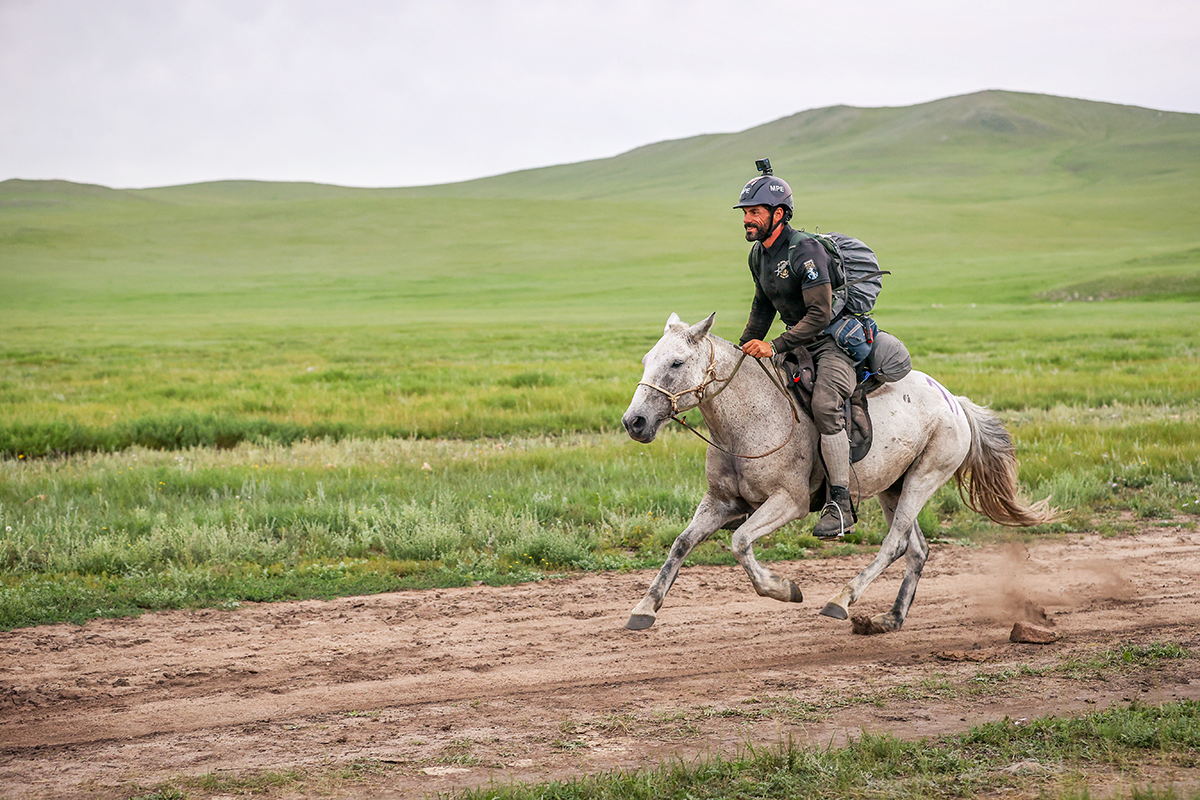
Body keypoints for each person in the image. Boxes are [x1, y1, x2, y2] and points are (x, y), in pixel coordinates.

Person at [735, 160, 857, 539]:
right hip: (796, 342)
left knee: (822, 404)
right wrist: (740, 353)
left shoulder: (805, 250)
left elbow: (820, 314)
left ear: (779, 214)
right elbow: (762, 307)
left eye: (755, 212)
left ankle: (841, 503)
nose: (747, 220)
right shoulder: (759, 255)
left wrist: (774, 346)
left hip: (832, 342)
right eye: (745, 213)